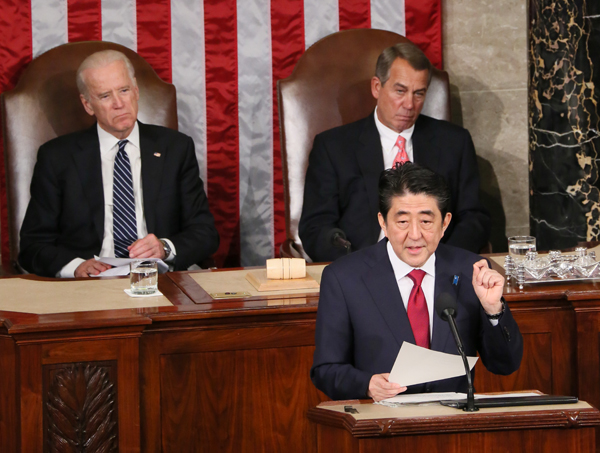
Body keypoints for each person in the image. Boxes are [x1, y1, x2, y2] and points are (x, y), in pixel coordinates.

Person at [310, 164, 522, 401]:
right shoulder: (344, 278)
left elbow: (505, 364)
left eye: (426, 222)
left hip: (453, 427)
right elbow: (326, 370)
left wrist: (493, 310)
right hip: (381, 425)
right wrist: (367, 384)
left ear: (445, 223)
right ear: (383, 222)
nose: (414, 234)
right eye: (402, 222)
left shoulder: (470, 270)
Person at [19, 50, 219, 278]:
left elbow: (205, 233)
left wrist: (164, 248)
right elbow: (32, 246)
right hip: (88, 289)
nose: (119, 103)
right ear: (88, 105)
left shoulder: (175, 148)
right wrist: (75, 266)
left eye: (124, 91)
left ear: (135, 90)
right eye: (105, 96)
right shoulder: (57, 158)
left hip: (159, 280)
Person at [299, 41, 491, 262]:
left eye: (419, 94)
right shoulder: (333, 148)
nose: (409, 104)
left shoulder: (454, 143)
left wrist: (443, 260)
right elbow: (316, 227)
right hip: (361, 271)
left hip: (435, 269)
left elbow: (474, 218)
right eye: (400, 91)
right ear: (376, 87)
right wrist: (354, 266)